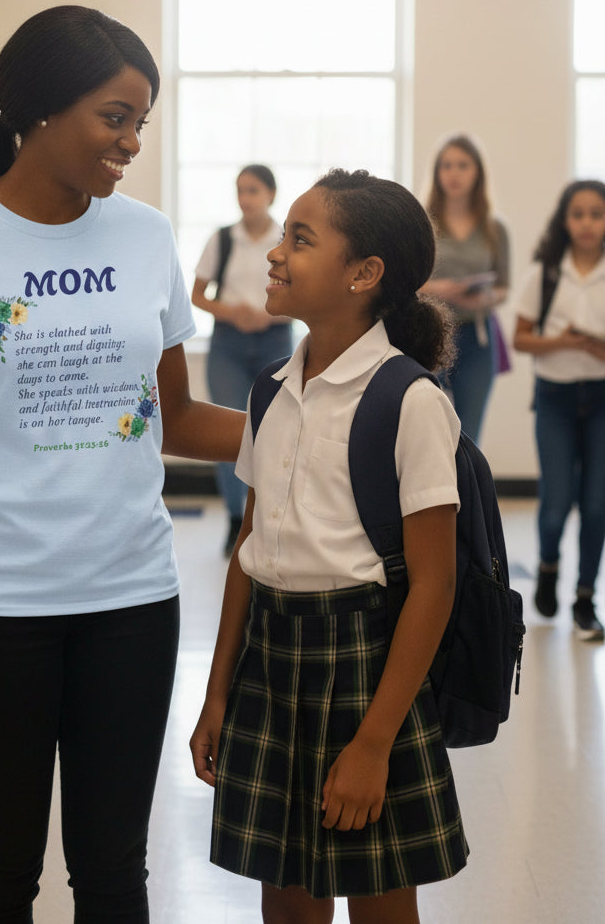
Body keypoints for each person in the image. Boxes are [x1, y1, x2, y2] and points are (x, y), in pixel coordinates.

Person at [0, 5, 245, 924]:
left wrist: (326, 428)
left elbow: (176, 416)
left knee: (115, 873)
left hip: (131, 598)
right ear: (38, 110)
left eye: (141, 122)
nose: (131, 143)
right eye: (115, 117)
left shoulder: (144, 236)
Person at [190, 169, 469, 924]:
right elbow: (250, 551)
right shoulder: (270, 390)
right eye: (283, 234)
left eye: (301, 239)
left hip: (364, 669)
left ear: (364, 274)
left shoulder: (409, 400)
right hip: (269, 666)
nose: (277, 253)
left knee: (378, 903)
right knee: (285, 903)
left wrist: (375, 743)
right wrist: (217, 694)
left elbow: (435, 586)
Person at [513, 179, 605, 642]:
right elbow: (520, 338)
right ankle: (548, 566)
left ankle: (585, 599)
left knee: (597, 505)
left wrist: (596, 346)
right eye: (579, 213)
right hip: (555, 398)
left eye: (597, 213)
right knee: (556, 504)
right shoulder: (545, 273)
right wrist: (567, 342)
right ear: (565, 220)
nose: (587, 223)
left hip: (603, 398)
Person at [192, 165, 294, 557]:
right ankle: (236, 517)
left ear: (270, 194)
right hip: (229, 343)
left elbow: (306, 295)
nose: (245, 198)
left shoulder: (286, 239)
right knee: (230, 428)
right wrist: (231, 312)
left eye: (252, 190)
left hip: (276, 339)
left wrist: (271, 315)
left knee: (275, 427)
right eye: (240, 190)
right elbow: (197, 295)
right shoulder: (223, 239)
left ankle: (271, 519)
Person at [421, 133, 510, 444]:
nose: (454, 173)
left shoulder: (494, 228)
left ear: (477, 172)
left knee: (469, 435)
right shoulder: (422, 222)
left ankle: (466, 493)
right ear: (437, 172)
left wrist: (484, 297)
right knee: (426, 428)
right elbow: (407, 281)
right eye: (446, 165)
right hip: (431, 333)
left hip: (477, 336)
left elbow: (503, 287)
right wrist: (438, 289)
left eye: (462, 165)